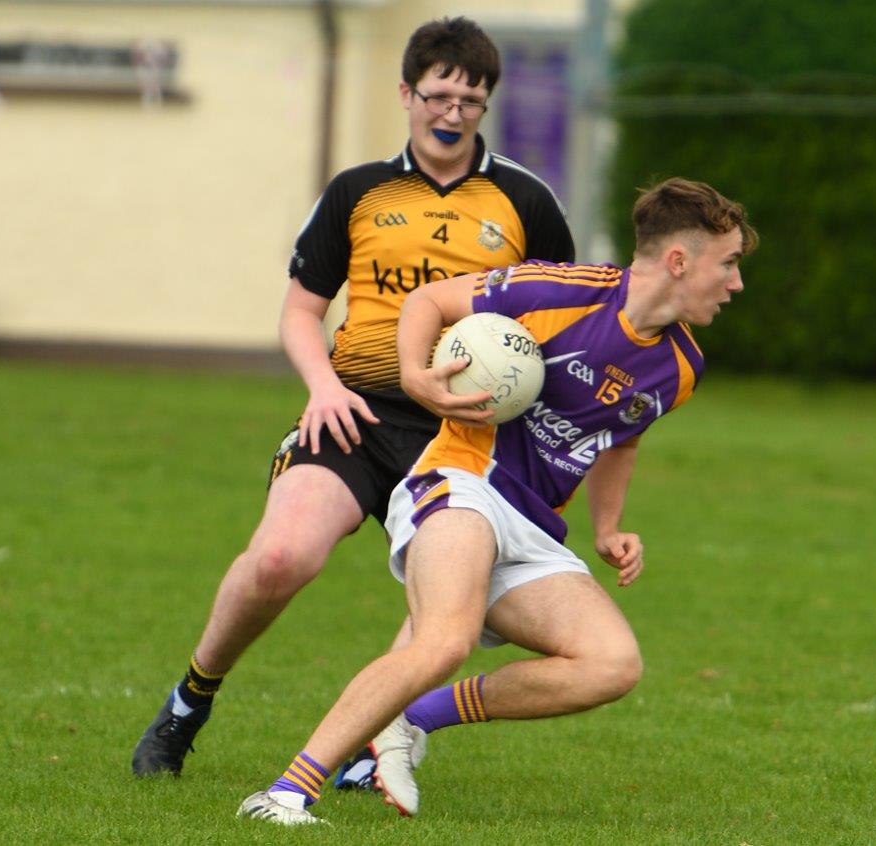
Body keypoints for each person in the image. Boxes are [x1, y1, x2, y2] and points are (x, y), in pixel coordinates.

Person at [237, 176, 757, 825]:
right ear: (679, 261)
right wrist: (414, 376)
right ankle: (285, 794)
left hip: (535, 528)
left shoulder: (681, 367)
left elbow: (621, 439)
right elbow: (428, 299)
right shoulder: (560, 291)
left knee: (611, 664)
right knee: (444, 640)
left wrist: (609, 527)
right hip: (462, 481)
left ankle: (412, 720)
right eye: (729, 263)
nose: (736, 283)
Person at [132, 16, 574, 778]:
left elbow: (559, 325)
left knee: (445, 616)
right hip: (355, 412)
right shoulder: (358, 192)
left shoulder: (526, 202)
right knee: (278, 557)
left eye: (470, 101)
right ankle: (188, 703)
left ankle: (382, 744)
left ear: (485, 106)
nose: (452, 113)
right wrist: (321, 386)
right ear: (406, 93)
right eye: (438, 95)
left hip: (460, 439)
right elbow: (300, 311)